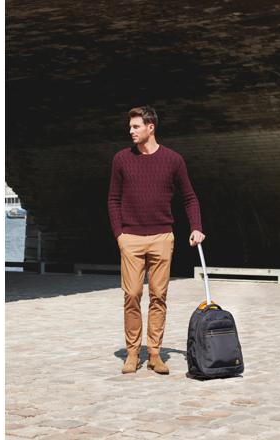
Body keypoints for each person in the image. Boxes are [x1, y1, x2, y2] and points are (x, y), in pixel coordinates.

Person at [108, 105, 205, 375]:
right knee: (132, 295)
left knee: (158, 296)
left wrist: (196, 227)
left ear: (150, 128)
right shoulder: (121, 159)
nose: (131, 131)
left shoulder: (173, 160)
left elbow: (189, 197)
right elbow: (113, 199)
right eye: (130, 126)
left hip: (162, 237)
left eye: (136, 126)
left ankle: (154, 354)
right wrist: (119, 235)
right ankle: (132, 353)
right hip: (131, 238)